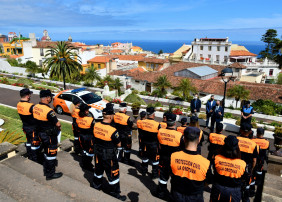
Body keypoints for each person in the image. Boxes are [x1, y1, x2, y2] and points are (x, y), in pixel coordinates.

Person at [92, 104, 126, 201]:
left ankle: (96, 186)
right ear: (111, 116)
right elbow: (119, 144)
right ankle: (115, 194)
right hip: (109, 155)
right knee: (113, 174)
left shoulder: (96, 125)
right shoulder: (113, 131)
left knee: (98, 171)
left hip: (97, 153)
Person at [170, 127, 211, 202]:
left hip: (176, 194)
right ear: (198, 140)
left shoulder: (173, 156)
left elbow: (170, 173)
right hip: (195, 197)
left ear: (184, 139)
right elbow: (208, 181)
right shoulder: (206, 163)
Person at [33, 90, 62, 180]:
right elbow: (57, 124)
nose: (51, 99)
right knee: (51, 154)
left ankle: (46, 167)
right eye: (51, 97)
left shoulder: (35, 107)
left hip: (40, 134)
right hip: (49, 136)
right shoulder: (49, 111)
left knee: (46, 151)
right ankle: (50, 174)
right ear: (48, 98)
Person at [210, 135, 247, 202]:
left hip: (218, 190)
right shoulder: (242, 164)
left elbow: (211, 174)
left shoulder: (216, 158)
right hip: (234, 192)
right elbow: (245, 179)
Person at [156, 113, 183, 199]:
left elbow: (159, 145)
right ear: (175, 123)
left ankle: (161, 193)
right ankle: (173, 196)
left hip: (163, 158)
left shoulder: (160, 131)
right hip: (174, 161)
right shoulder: (179, 135)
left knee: (162, 178)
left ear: (166, 121)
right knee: (174, 179)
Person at [237, 123, 258, 202]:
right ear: (250, 132)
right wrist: (251, 169)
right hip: (247, 169)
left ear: (240, 130)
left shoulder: (236, 140)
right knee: (246, 190)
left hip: (236, 167)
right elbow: (254, 160)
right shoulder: (253, 144)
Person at [17, 88, 38, 161]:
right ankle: (34, 160)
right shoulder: (30, 106)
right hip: (32, 128)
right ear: (27, 96)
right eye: (29, 95)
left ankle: (29, 156)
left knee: (28, 142)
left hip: (25, 127)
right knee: (34, 144)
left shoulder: (18, 104)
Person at [140, 107, 161, 179]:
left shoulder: (142, 122)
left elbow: (140, 132)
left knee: (145, 157)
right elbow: (159, 135)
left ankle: (143, 171)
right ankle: (154, 174)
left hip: (144, 143)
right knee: (155, 159)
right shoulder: (157, 124)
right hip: (153, 144)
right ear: (154, 114)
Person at [76, 103, 95, 171]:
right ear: (85, 111)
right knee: (90, 152)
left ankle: (84, 163)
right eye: (87, 110)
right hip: (89, 138)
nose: (88, 111)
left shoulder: (77, 119)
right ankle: (88, 165)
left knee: (84, 150)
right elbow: (94, 129)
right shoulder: (91, 120)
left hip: (81, 137)